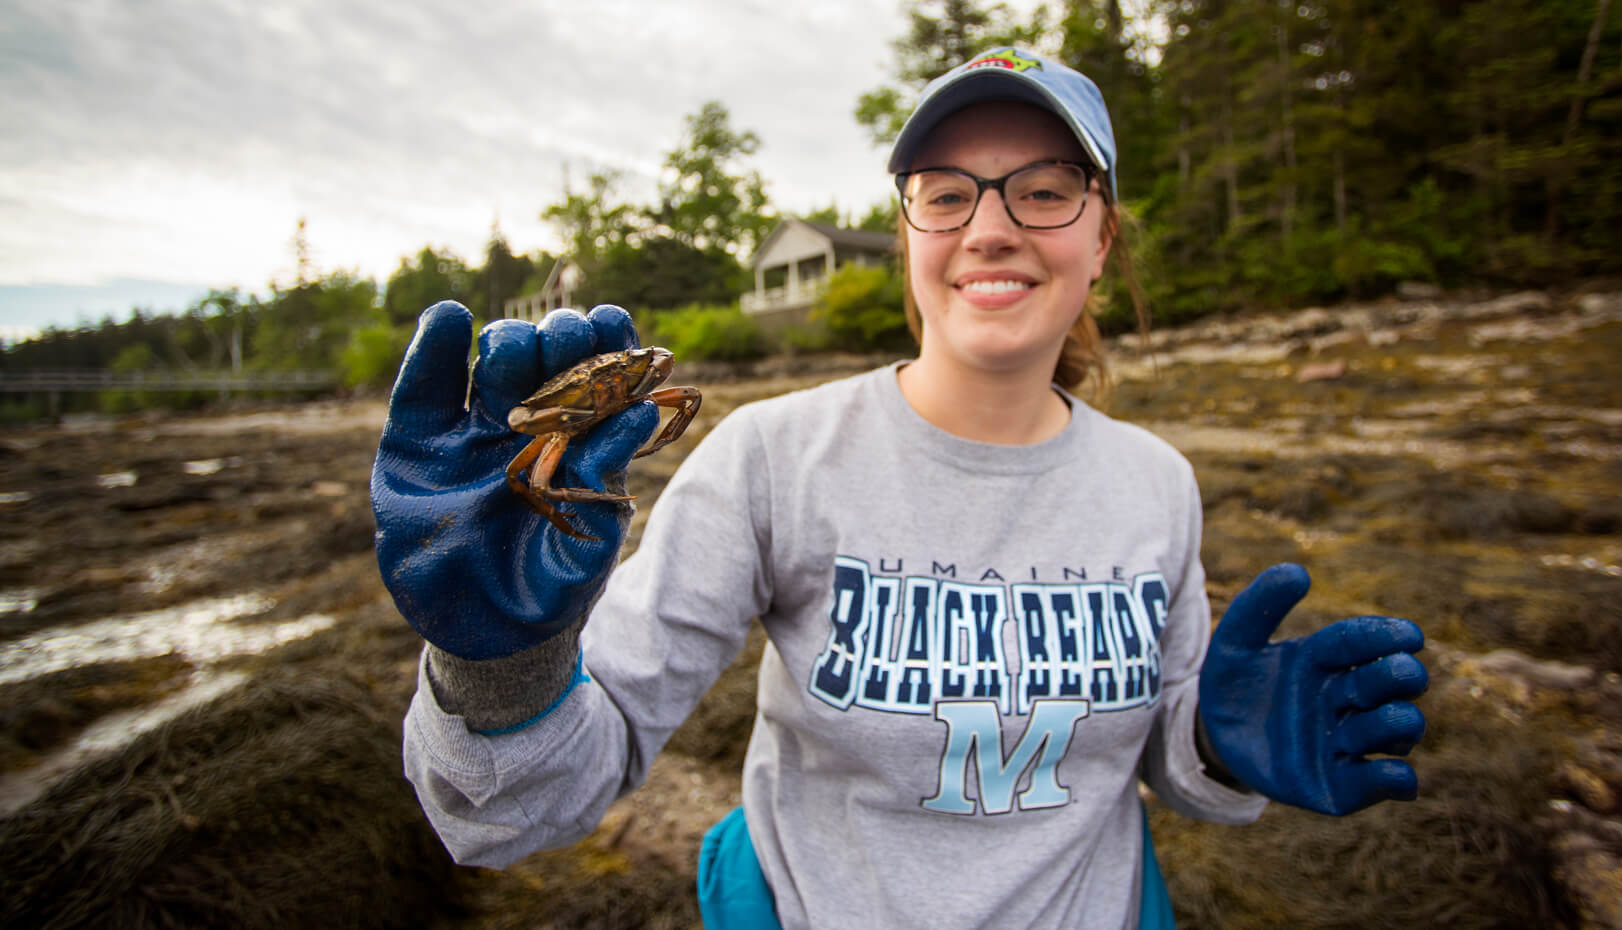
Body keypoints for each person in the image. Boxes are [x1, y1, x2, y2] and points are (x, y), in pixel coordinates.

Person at [372, 47, 1430, 930]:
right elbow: (509, 817)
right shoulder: (771, 460)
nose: (992, 226)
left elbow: (1157, 751)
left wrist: (1207, 743)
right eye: (947, 194)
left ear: (1100, 238)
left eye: (1046, 189)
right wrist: (500, 667)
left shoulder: (1156, 485)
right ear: (910, 237)